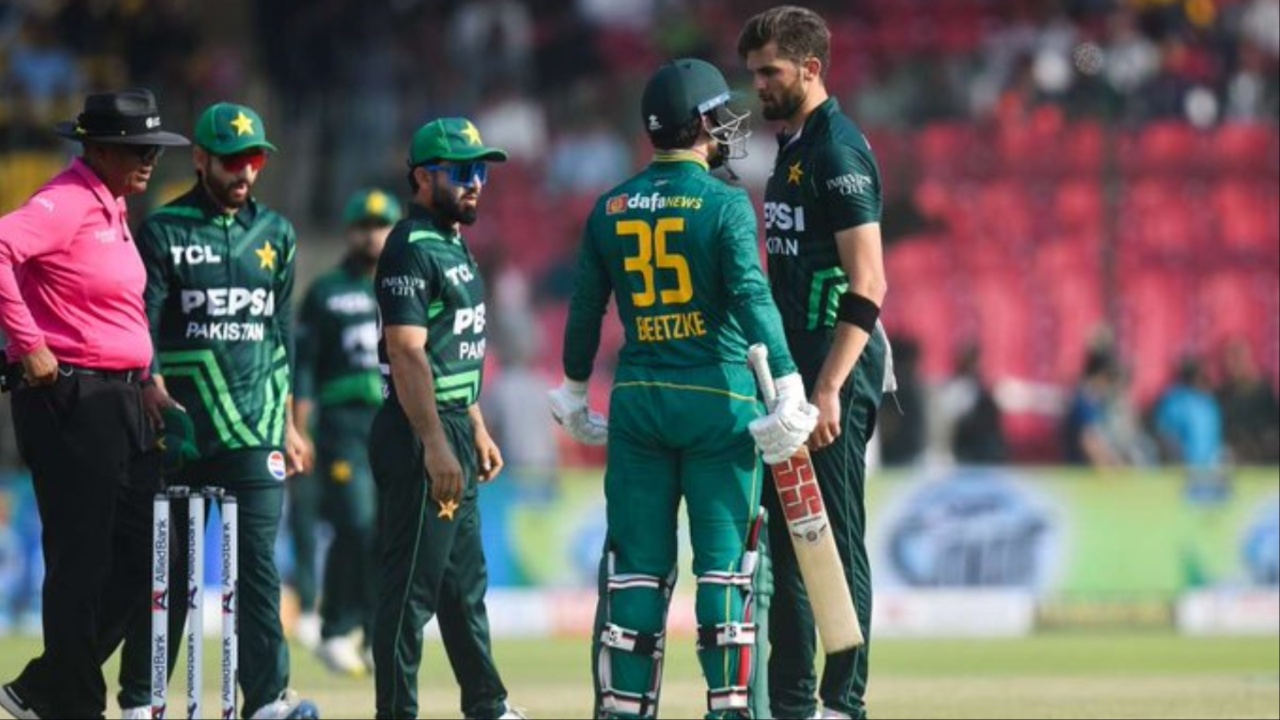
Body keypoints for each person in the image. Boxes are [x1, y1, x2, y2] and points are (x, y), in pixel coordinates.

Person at [550, 57, 818, 719]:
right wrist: (787, 382)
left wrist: (575, 389)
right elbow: (752, 297)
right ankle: (730, 711)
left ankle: (622, 709)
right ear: (698, 124)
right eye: (719, 112)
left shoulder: (609, 206)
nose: (729, 122)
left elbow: (587, 310)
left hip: (638, 397)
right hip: (719, 402)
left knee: (635, 572)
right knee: (728, 573)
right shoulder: (724, 203)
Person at [111, 101, 317, 720]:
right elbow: (140, 327)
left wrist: (290, 424)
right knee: (167, 579)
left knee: (256, 570)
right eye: (231, 161)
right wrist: (149, 393)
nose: (244, 173)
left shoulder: (277, 234)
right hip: (182, 431)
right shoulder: (164, 231)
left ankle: (268, 702)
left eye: (253, 160)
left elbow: (283, 334)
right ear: (200, 159)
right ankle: (141, 701)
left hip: (257, 432)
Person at [0, 88, 188, 720]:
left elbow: (116, 309)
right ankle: (74, 705)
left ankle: (44, 688)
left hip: (125, 398)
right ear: (97, 149)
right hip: (72, 397)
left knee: (142, 557)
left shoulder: (113, 207)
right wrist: (29, 346)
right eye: (137, 150)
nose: (149, 162)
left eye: (154, 151)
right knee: (82, 558)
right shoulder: (65, 202)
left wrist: (149, 375)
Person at [739, 7, 896, 719]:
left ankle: (843, 704)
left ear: (810, 68)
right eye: (753, 74)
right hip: (792, 377)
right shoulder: (794, 145)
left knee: (833, 535)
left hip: (836, 373)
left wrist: (830, 387)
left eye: (769, 72)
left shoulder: (836, 151)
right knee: (791, 542)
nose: (759, 85)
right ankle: (794, 703)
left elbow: (869, 282)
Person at [370, 117, 524, 720]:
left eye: (481, 171)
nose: (475, 183)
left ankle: (488, 705)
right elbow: (407, 352)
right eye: (461, 172)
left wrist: (476, 426)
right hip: (418, 432)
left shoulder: (453, 241)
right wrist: (436, 443)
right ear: (422, 176)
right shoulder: (408, 247)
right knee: (410, 592)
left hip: (454, 423)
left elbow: (451, 349)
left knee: (464, 586)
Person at [291, 187, 402, 675]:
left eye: (382, 226)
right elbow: (305, 366)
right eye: (364, 226)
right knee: (355, 522)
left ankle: (378, 635)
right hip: (341, 424)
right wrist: (300, 426)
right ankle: (336, 627)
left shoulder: (405, 287)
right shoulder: (326, 291)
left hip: (393, 421)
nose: (372, 235)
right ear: (350, 232)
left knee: (386, 531)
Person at [1215, 338, 1280, 464]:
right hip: (1233, 457)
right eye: (1228, 358)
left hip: (1265, 458)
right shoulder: (1222, 395)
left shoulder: (1265, 391)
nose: (1232, 363)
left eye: (1237, 356)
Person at [1152, 357, 1223, 469]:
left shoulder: (1209, 403)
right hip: (1181, 468)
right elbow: (1164, 434)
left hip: (1209, 468)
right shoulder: (1175, 400)